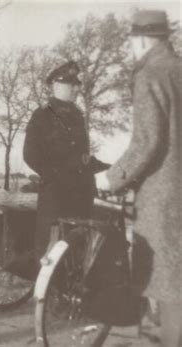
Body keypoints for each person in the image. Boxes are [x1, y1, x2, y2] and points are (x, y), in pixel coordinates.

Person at [100, 9, 181, 347]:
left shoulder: (150, 74)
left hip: (163, 196)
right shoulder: (177, 69)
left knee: (168, 287)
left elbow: (148, 141)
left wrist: (112, 178)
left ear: (142, 39)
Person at [23, 61, 109, 260]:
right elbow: (30, 154)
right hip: (57, 197)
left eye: (77, 84)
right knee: (50, 252)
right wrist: (55, 176)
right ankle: (47, 290)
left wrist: (107, 168)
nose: (77, 88)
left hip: (82, 195)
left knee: (79, 249)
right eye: (71, 84)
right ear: (55, 85)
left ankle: (72, 290)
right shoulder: (42, 115)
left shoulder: (77, 115)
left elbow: (82, 158)